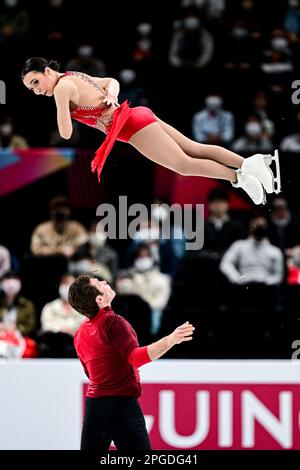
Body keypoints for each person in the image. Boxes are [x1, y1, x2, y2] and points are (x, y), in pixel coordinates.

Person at [22, 57, 277, 205]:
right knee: (193, 149)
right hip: (136, 115)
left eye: (36, 82)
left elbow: (66, 134)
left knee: (184, 164)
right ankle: (251, 163)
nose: (36, 90)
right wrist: (111, 94)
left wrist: (60, 106)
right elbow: (110, 81)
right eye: (30, 89)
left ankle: (239, 177)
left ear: (47, 71)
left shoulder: (61, 88)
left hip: (132, 126)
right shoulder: (70, 75)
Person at [68, 274, 195, 450]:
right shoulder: (113, 322)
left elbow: (90, 372)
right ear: (99, 299)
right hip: (121, 406)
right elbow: (136, 358)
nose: (105, 282)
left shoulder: (80, 332)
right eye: (99, 283)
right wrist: (171, 340)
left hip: (94, 407)